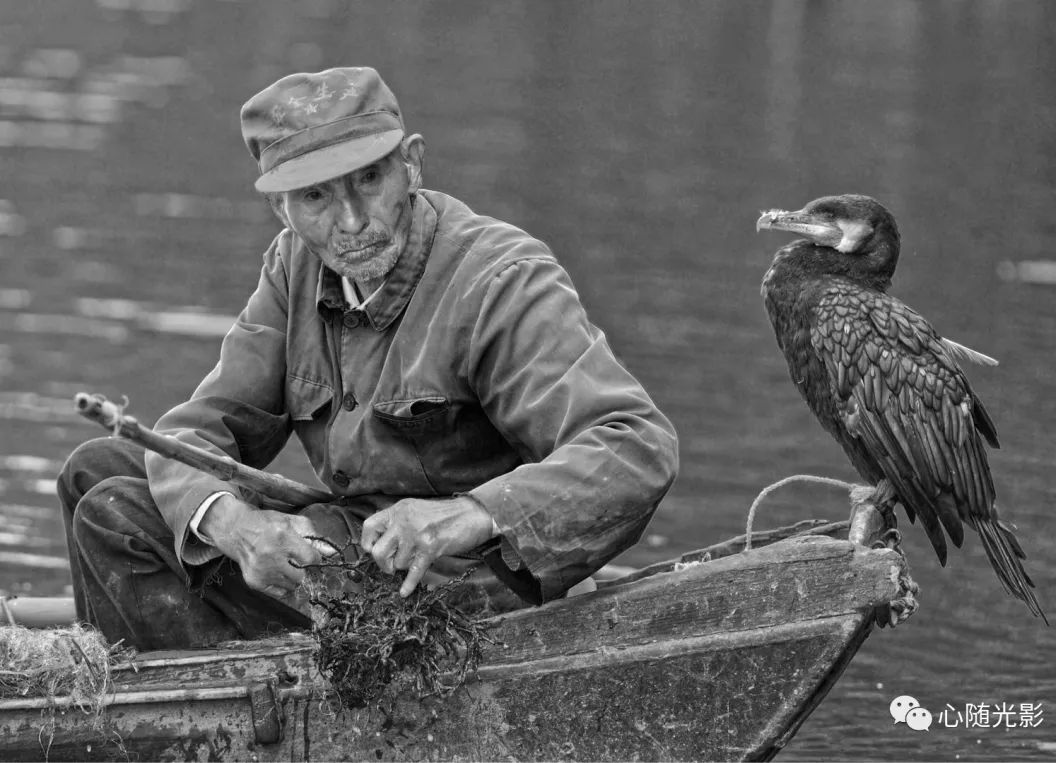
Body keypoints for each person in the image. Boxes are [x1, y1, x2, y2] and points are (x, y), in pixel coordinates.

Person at [57, 66, 679, 651]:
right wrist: (237, 529)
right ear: (283, 209)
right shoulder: (293, 265)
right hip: (346, 547)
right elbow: (197, 431)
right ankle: (201, 686)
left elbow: (634, 449)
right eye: (316, 198)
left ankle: (241, 711)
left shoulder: (500, 281)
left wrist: (468, 515)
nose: (350, 222)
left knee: (117, 519)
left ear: (411, 163)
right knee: (95, 469)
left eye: (369, 180)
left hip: (451, 590)